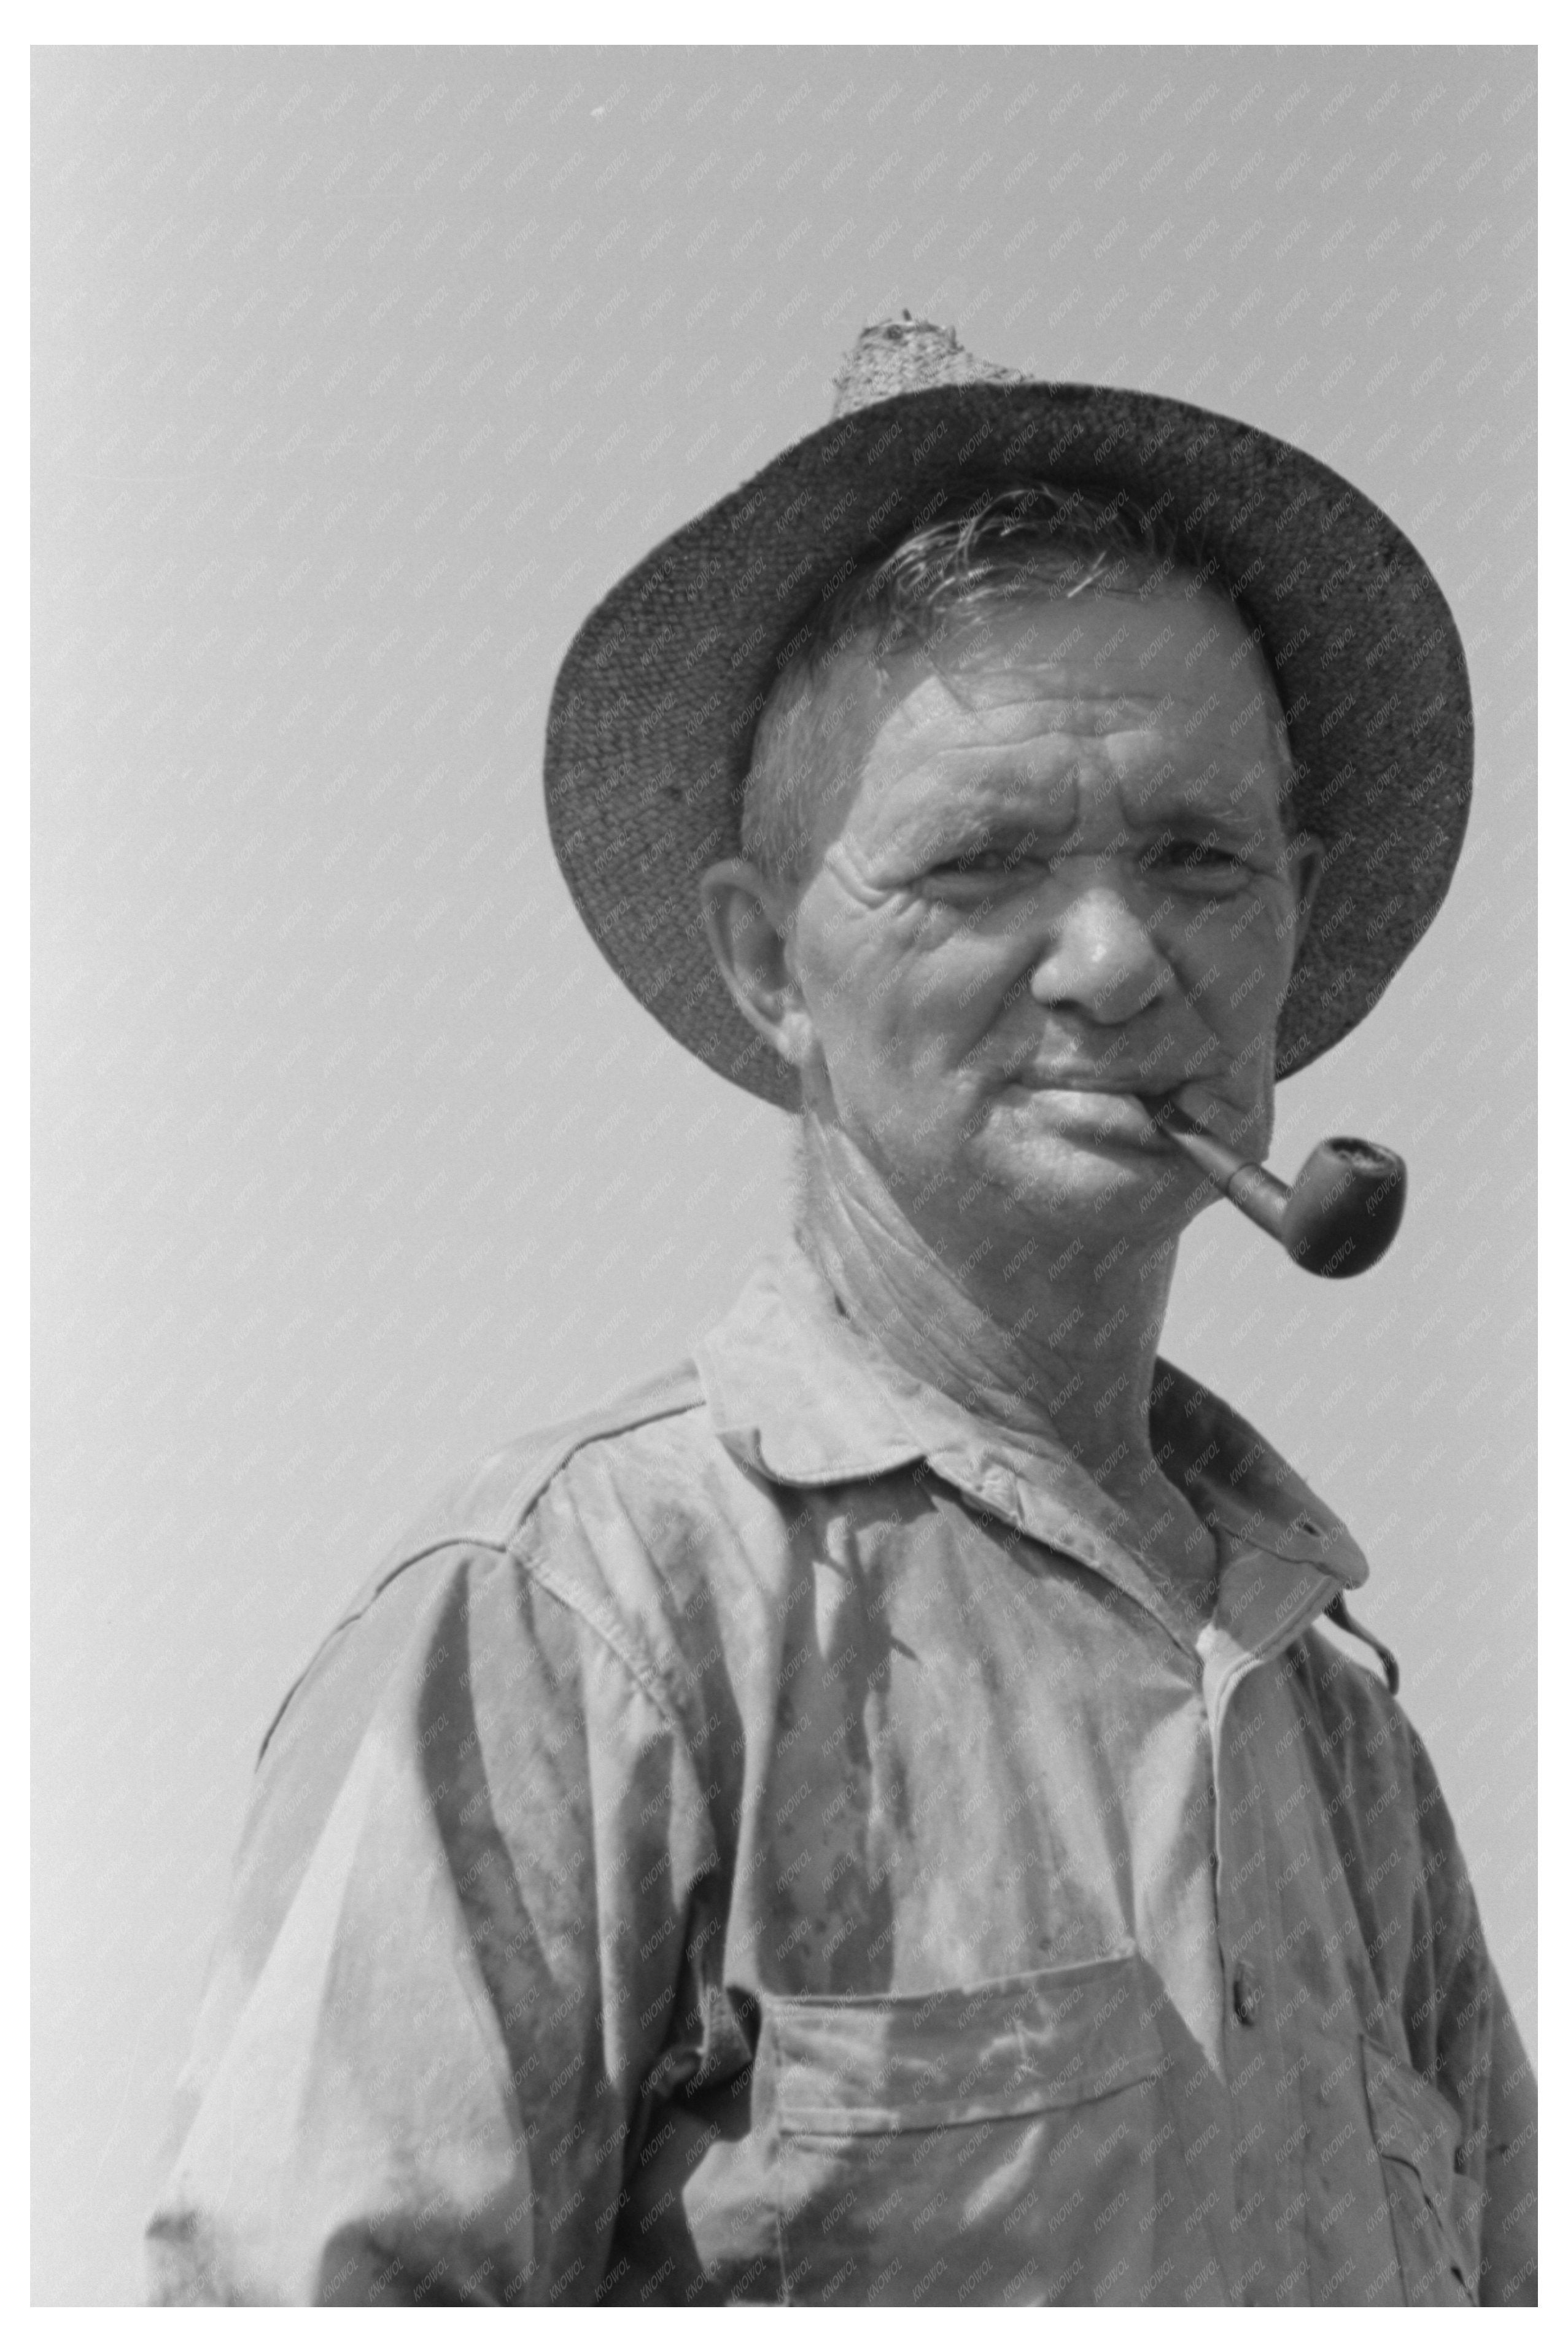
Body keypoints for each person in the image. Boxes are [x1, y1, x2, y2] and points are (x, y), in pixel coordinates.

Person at [147, 316, 1536, 2307]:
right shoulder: (569, 1627)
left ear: (1296, 912)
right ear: (766, 961)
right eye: (977, 863)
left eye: (1200, 858)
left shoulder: (1350, 1761)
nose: (1117, 957)